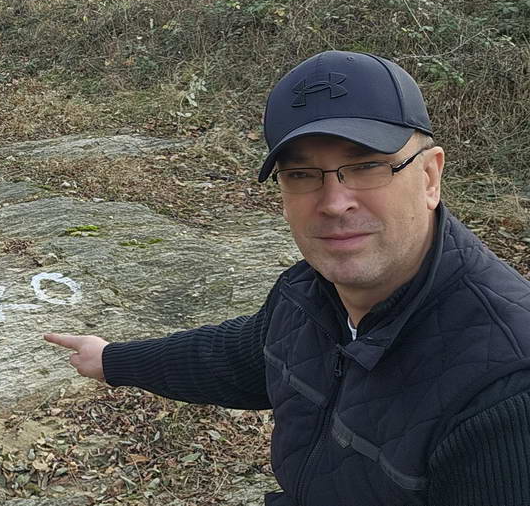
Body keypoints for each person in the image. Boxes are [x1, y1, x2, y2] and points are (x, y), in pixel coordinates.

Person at [45, 50, 530, 505]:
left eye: (366, 166)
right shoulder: (308, 294)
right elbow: (243, 356)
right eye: (301, 175)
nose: (334, 202)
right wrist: (112, 359)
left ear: (429, 178)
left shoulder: (507, 394)